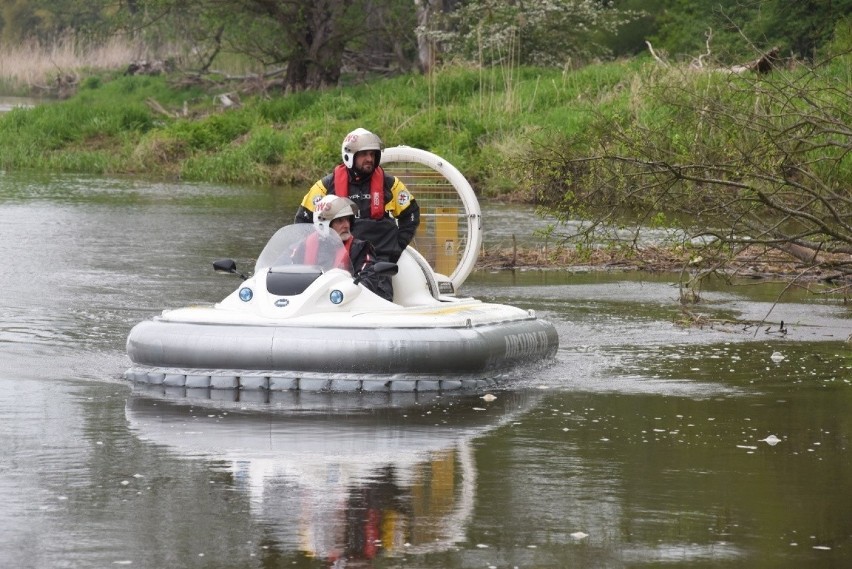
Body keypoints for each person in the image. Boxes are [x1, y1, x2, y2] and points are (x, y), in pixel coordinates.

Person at [294, 127, 420, 265]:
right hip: (338, 260)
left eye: (372, 154)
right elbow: (303, 221)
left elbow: (411, 214)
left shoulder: (390, 184)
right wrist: (320, 251)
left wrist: (396, 247)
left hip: (379, 261)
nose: (369, 159)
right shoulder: (326, 186)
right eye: (364, 154)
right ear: (349, 155)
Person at [292, 195, 391, 301]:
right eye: (340, 221)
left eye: (348, 220)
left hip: (344, 303)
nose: (346, 225)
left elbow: (368, 279)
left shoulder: (361, 249)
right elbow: (283, 268)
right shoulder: (303, 246)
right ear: (323, 224)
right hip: (309, 302)